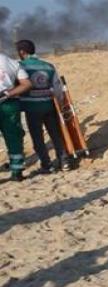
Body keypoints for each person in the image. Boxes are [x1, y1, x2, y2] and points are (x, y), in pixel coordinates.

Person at [16, 39, 72, 173]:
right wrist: (58, 102)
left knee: (38, 137)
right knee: (56, 135)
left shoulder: (20, 66)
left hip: (31, 108)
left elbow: (17, 87)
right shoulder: (48, 66)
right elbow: (57, 88)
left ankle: (47, 165)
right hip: (49, 106)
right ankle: (64, 161)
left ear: (22, 52)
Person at [0, 51, 32, 181]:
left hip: (9, 104)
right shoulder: (12, 62)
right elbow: (27, 84)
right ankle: (17, 171)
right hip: (9, 104)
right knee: (14, 136)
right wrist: (8, 93)